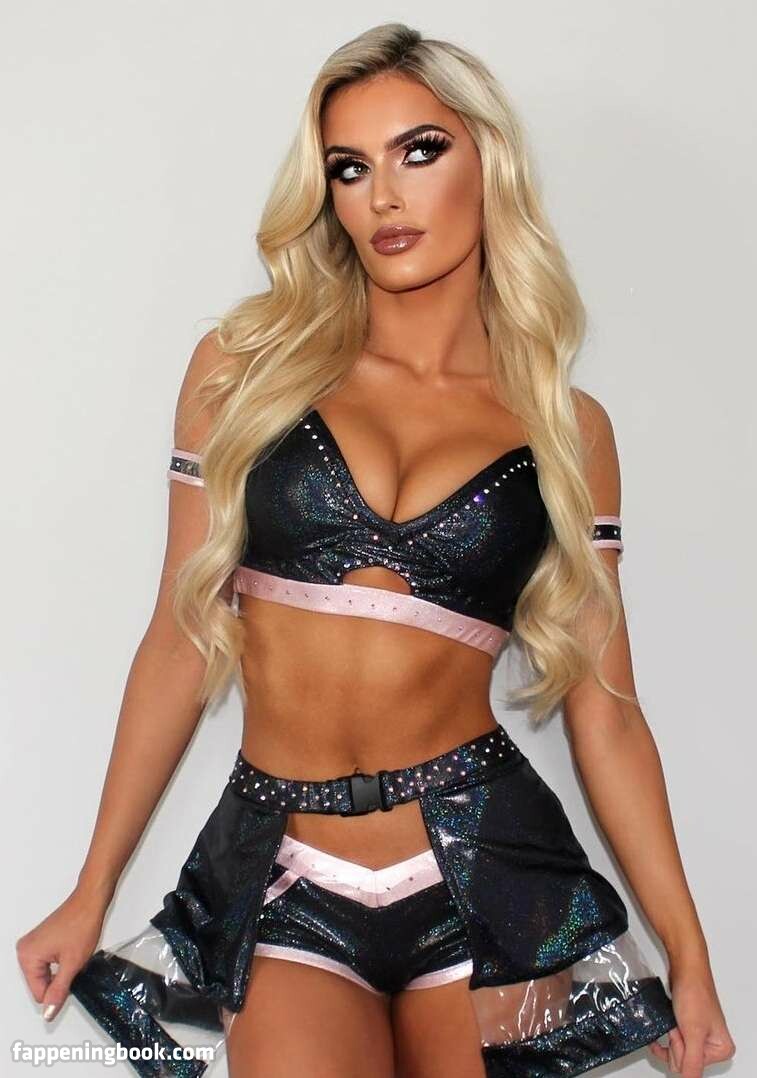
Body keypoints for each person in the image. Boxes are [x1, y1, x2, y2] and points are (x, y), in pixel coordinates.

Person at [16, 21, 735, 1078]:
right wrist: (93, 889)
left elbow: (606, 710)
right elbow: (179, 638)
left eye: (418, 152)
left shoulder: (565, 428)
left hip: (489, 877)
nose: (383, 197)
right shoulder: (241, 371)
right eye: (349, 168)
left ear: (487, 159)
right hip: (283, 874)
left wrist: (690, 950)